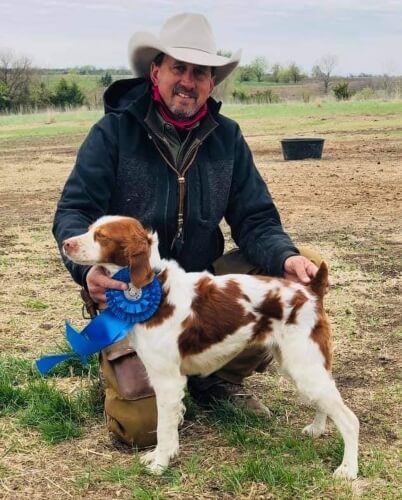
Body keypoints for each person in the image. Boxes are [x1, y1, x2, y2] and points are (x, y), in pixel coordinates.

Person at [53, 13, 324, 448]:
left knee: (285, 269)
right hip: (136, 293)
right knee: (140, 429)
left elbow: (256, 219)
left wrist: (287, 256)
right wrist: (86, 273)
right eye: (179, 67)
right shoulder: (113, 133)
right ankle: (134, 363)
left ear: (211, 83)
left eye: (200, 72)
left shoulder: (227, 138)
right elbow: (73, 210)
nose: (188, 81)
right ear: (155, 71)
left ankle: (212, 378)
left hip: (200, 291)